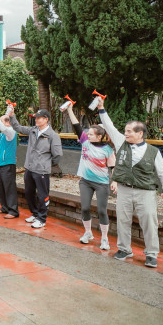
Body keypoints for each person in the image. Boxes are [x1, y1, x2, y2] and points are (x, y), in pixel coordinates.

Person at [98, 98, 163, 268]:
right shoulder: (121, 143)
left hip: (145, 191)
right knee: (123, 220)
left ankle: (151, 254)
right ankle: (124, 249)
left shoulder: (153, 151)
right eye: (125, 131)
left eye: (130, 131)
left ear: (140, 133)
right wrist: (101, 108)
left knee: (149, 222)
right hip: (124, 189)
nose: (126, 134)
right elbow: (109, 126)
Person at [64, 104, 116, 249]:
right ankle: (88, 233)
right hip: (85, 182)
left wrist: (115, 182)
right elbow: (76, 126)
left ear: (99, 136)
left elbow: (113, 167)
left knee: (101, 210)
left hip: (101, 184)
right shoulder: (85, 142)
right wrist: (69, 109)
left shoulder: (108, 150)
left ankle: (104, 238)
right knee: (85, 208)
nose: (88, 135)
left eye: (91, 134)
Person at [9, 107, 63, 229]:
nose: (36, 120)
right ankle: (35, 214)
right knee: (29, 192)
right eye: (36, 118)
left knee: (43, 195)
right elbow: (18, 128)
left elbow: (57, 155)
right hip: (29, 168)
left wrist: (46, 164)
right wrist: (12, 116)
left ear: (46, 119)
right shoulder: (33, 130)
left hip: (41, 170)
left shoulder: (52, 135)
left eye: (39, 118)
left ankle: (42, 219)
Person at [0, 105, 19, 219]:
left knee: (9, 187)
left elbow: (3, 127)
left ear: (7, 122)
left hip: (8, 164)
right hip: (2, 164)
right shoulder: (3, 134)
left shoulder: (10, 132)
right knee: (2, 187)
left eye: (1, 121)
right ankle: (5, 207)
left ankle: (13, 210)